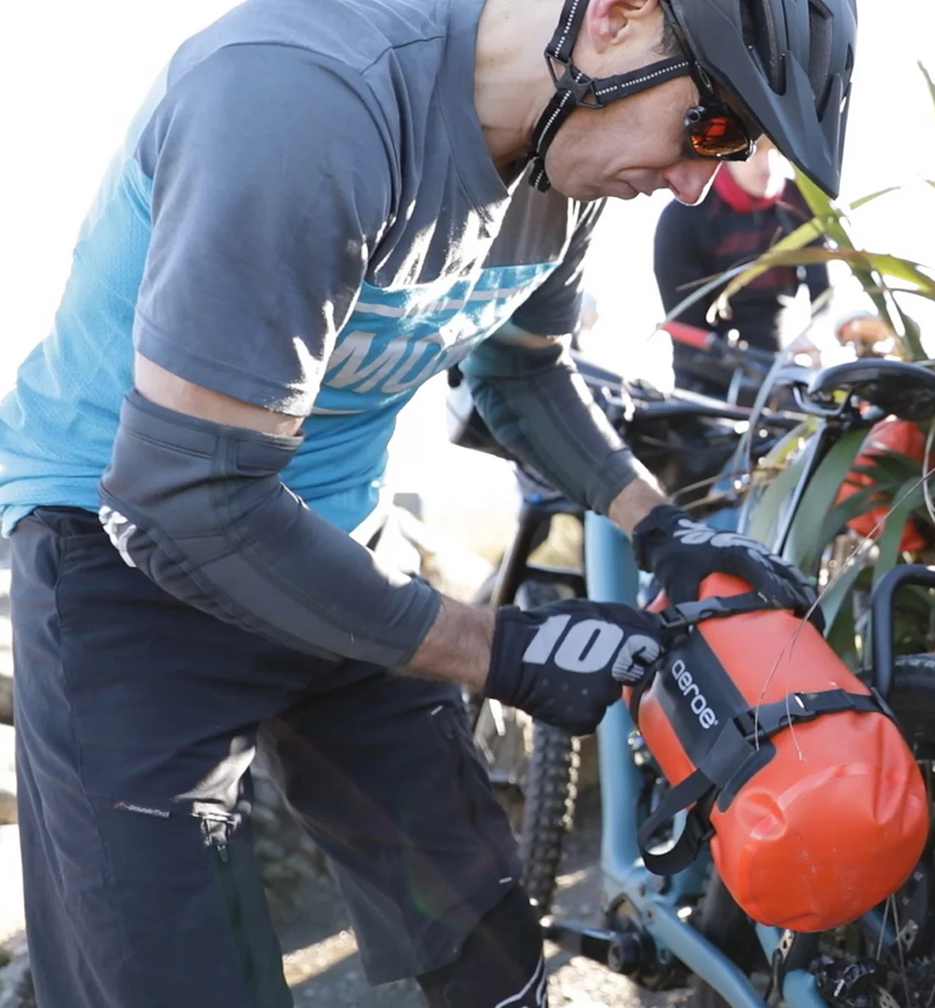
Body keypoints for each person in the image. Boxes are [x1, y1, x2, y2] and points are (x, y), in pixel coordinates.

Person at [0, 0, 856, 1003]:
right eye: (711, 127)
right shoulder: (301, 100)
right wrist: (500, 651)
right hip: (122, 561)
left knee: (488, 944)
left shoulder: (563, 168)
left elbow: (524, 371)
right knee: (180, 980)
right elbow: (185, 498)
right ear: (618, 18)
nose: (695, 183)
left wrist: (657, 525)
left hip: (329, 556)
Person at [654, 136, 831, 398]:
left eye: (776, 150)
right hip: (706, 380)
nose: (767, 165)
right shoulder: (683, 217)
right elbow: (686, 332)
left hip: (778, 368)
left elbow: (824, 294)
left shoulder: (800, 204)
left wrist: (815, 334)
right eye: (755, 151)